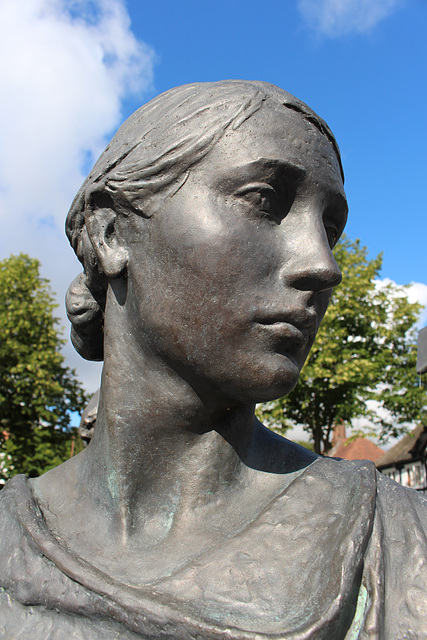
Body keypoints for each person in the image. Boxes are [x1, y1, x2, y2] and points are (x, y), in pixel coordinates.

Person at [0, 81, 426, 640]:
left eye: (331, 228)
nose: (324, 266)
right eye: (264, 201)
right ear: (110, 234)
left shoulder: (399, 543)